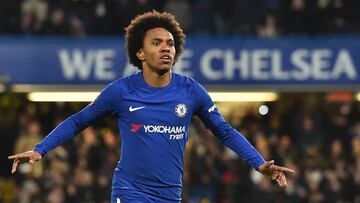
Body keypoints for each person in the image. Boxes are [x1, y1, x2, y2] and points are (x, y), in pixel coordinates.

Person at [8, 11, 295, 203]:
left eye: (170, 43)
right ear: (140, 52)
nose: (166, 48)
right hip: (129, 192)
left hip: (170, 194)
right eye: (157, 43)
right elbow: (78, 121)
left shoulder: (191, 91)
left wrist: (259, 163)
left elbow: (224, 131)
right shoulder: (121, 91)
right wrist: (40, 149)